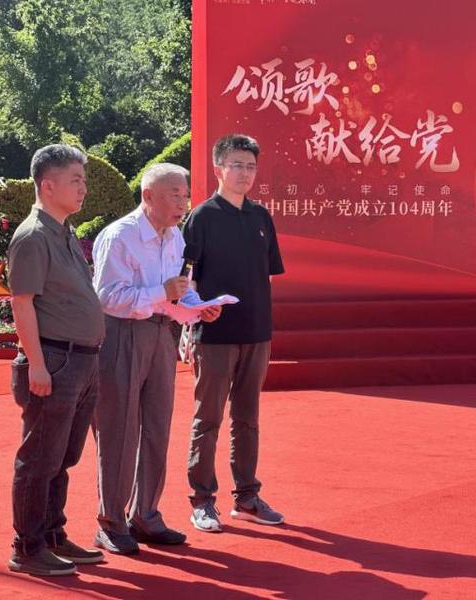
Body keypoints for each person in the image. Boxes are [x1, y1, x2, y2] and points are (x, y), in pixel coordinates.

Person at [91, 163, 222, 555]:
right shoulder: (120, 236)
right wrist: (161, 292)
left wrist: (198, 308)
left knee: (157, 426)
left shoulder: (175, 236)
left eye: (185, 195)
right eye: (174, 195)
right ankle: (111, 521)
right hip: (121, 335)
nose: (183, 203)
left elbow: (176, 292)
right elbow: (107, 297)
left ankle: (145, 514)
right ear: (148, 196)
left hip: (162, 335)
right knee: (119, 429)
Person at [7, 144, 106, 577]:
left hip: (80, 360)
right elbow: (22, 303)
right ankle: (27, 547)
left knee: (62, 457)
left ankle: (51, 534)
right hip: (54, 359)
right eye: (75, 181)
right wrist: (36, 364)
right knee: (40, 458)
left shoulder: (63, 231)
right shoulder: (33, 236)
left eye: (84, 180)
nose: (83, 188)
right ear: (48, 186)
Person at [183, 134, 285, 533]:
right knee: (208, 418)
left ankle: (246, 497)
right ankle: (202, 500)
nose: (245, 173)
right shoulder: (202, 217)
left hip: (256, 333)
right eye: (237, 165)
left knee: (248, 418)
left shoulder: (261, 217)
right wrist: (194, 314)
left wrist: (262, 322)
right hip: (215, 334)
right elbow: (185, 276)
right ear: (218, 169)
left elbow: (268, 276)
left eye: (251, 166)